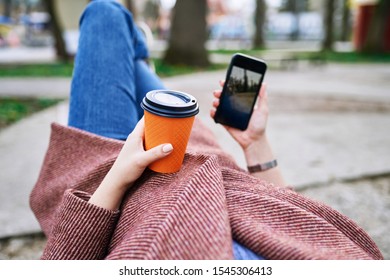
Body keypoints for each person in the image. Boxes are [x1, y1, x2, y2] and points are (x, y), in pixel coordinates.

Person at [30, 0, 383, 260]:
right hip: (189, 142)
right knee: (122, 41)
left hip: (109, 165)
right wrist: (255, 144)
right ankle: (138, 58)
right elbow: (286, 210)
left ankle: (137, 56)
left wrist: (119, 176)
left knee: (105, 15)